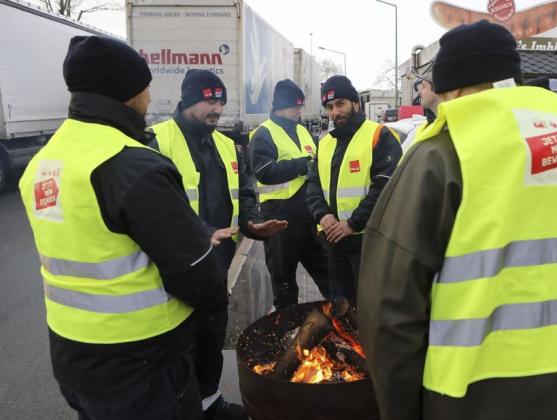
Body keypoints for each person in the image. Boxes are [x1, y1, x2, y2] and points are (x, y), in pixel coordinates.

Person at [357, 20, 557, 420]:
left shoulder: (442, 155)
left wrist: (400, 408)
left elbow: (389, 310)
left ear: (455, 87)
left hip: (467, 396)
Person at [19, 36, 227, 419]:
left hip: (73, 356)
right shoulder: (133, 166)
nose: (148, 96)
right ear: (130, 92)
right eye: (145, 86)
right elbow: (199, 275)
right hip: (142, 364)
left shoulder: (43, 162)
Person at [151, 69, 286, 419]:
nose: (217, 108)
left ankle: (209, 403)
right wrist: (202, 230)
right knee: (178, 347)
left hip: (217, 263)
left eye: (221, 102)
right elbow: (156, 205)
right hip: (174, 270)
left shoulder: (226, 144)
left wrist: (253, 224)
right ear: (189, 100)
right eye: (210, 100)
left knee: (212, 337)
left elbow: (244, 193)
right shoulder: (156, 140)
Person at [306, 75, 402, 304]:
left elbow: (385, 188)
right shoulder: (325, 143)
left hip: (369, 242)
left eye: (340, 104)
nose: (335, 112)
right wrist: (323, 215)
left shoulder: (379, 135)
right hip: (334, 242)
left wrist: (352, 224)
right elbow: (313, 185)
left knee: (371, 306)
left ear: (356, 103)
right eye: (329, 107)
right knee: (342, 307)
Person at [248, 79, 332, 309]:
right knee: (284, 285)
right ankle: (286, 338)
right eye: (295, 105)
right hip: (280, 221)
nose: (299, 110)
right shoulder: (263, 134)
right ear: (280, 106)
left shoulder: (303, 131)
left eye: (300, 105)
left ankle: (340, 329)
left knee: (329, 278)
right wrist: (300, 165)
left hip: (309, 220)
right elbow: (264, 172)